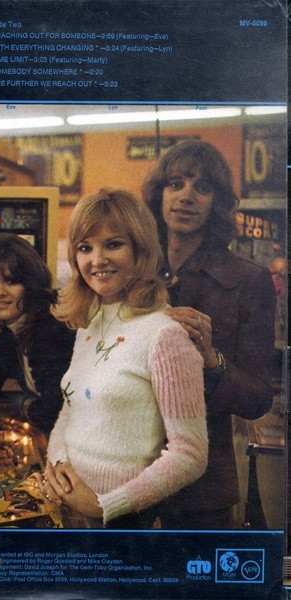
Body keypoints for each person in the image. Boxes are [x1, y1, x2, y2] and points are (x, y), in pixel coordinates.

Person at [38, 189, 208, 528]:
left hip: (123, 522)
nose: (96, 260)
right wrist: (55, 465)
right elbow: (70, 411)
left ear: (140, 250)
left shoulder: (165, 334)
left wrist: (106, 506)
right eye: (85, 248)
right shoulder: (91, 322)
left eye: (113, 244)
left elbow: (190, 454)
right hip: (72, 512)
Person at [142, 140, 276, 528]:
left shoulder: (249, 281)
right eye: (176, 184)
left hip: (201, 488)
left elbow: (258, 398)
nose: (186, 196)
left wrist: (213, 361)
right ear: (159, 194)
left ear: (216, 202)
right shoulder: (135, 271)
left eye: (202, 187)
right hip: (128, 469)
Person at [0, 233, 75, 435]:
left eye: (11, 282)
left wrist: (24, 404)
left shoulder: (54, 323)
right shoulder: (4, 331)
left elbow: (54, 413)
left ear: (30, 284)